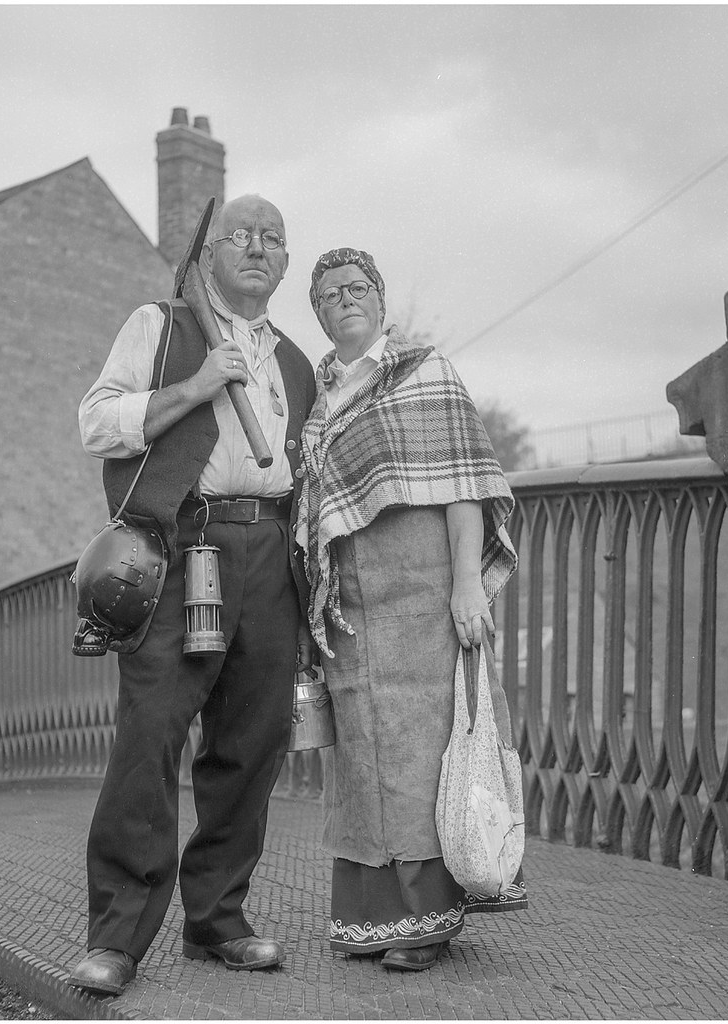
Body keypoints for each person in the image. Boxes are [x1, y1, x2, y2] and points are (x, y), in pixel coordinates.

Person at [67, 195, 317, 996]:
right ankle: (117, 937)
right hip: (181, 544)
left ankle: (217, 921)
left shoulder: (297, 364)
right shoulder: (162, 326)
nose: (257, 247)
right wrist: (197, 385)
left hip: (271, 552)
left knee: (253, 741)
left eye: (272, 238)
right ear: (209, 255)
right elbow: (96, 423)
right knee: (150, 736)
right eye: (239, 235)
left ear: (285, 262)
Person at [296, 248, 528, 973]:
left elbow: (464, 484)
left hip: (423, 591)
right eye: (329, 294)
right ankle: (373, 916)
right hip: (352, 606)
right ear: (318, 313)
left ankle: (428, 921)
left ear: (379, 297)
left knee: (424, 753)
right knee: (362, 756)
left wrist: (466, 585)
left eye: (357, 287)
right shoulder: (318, 403)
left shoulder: (427, 374)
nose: (345, 299)